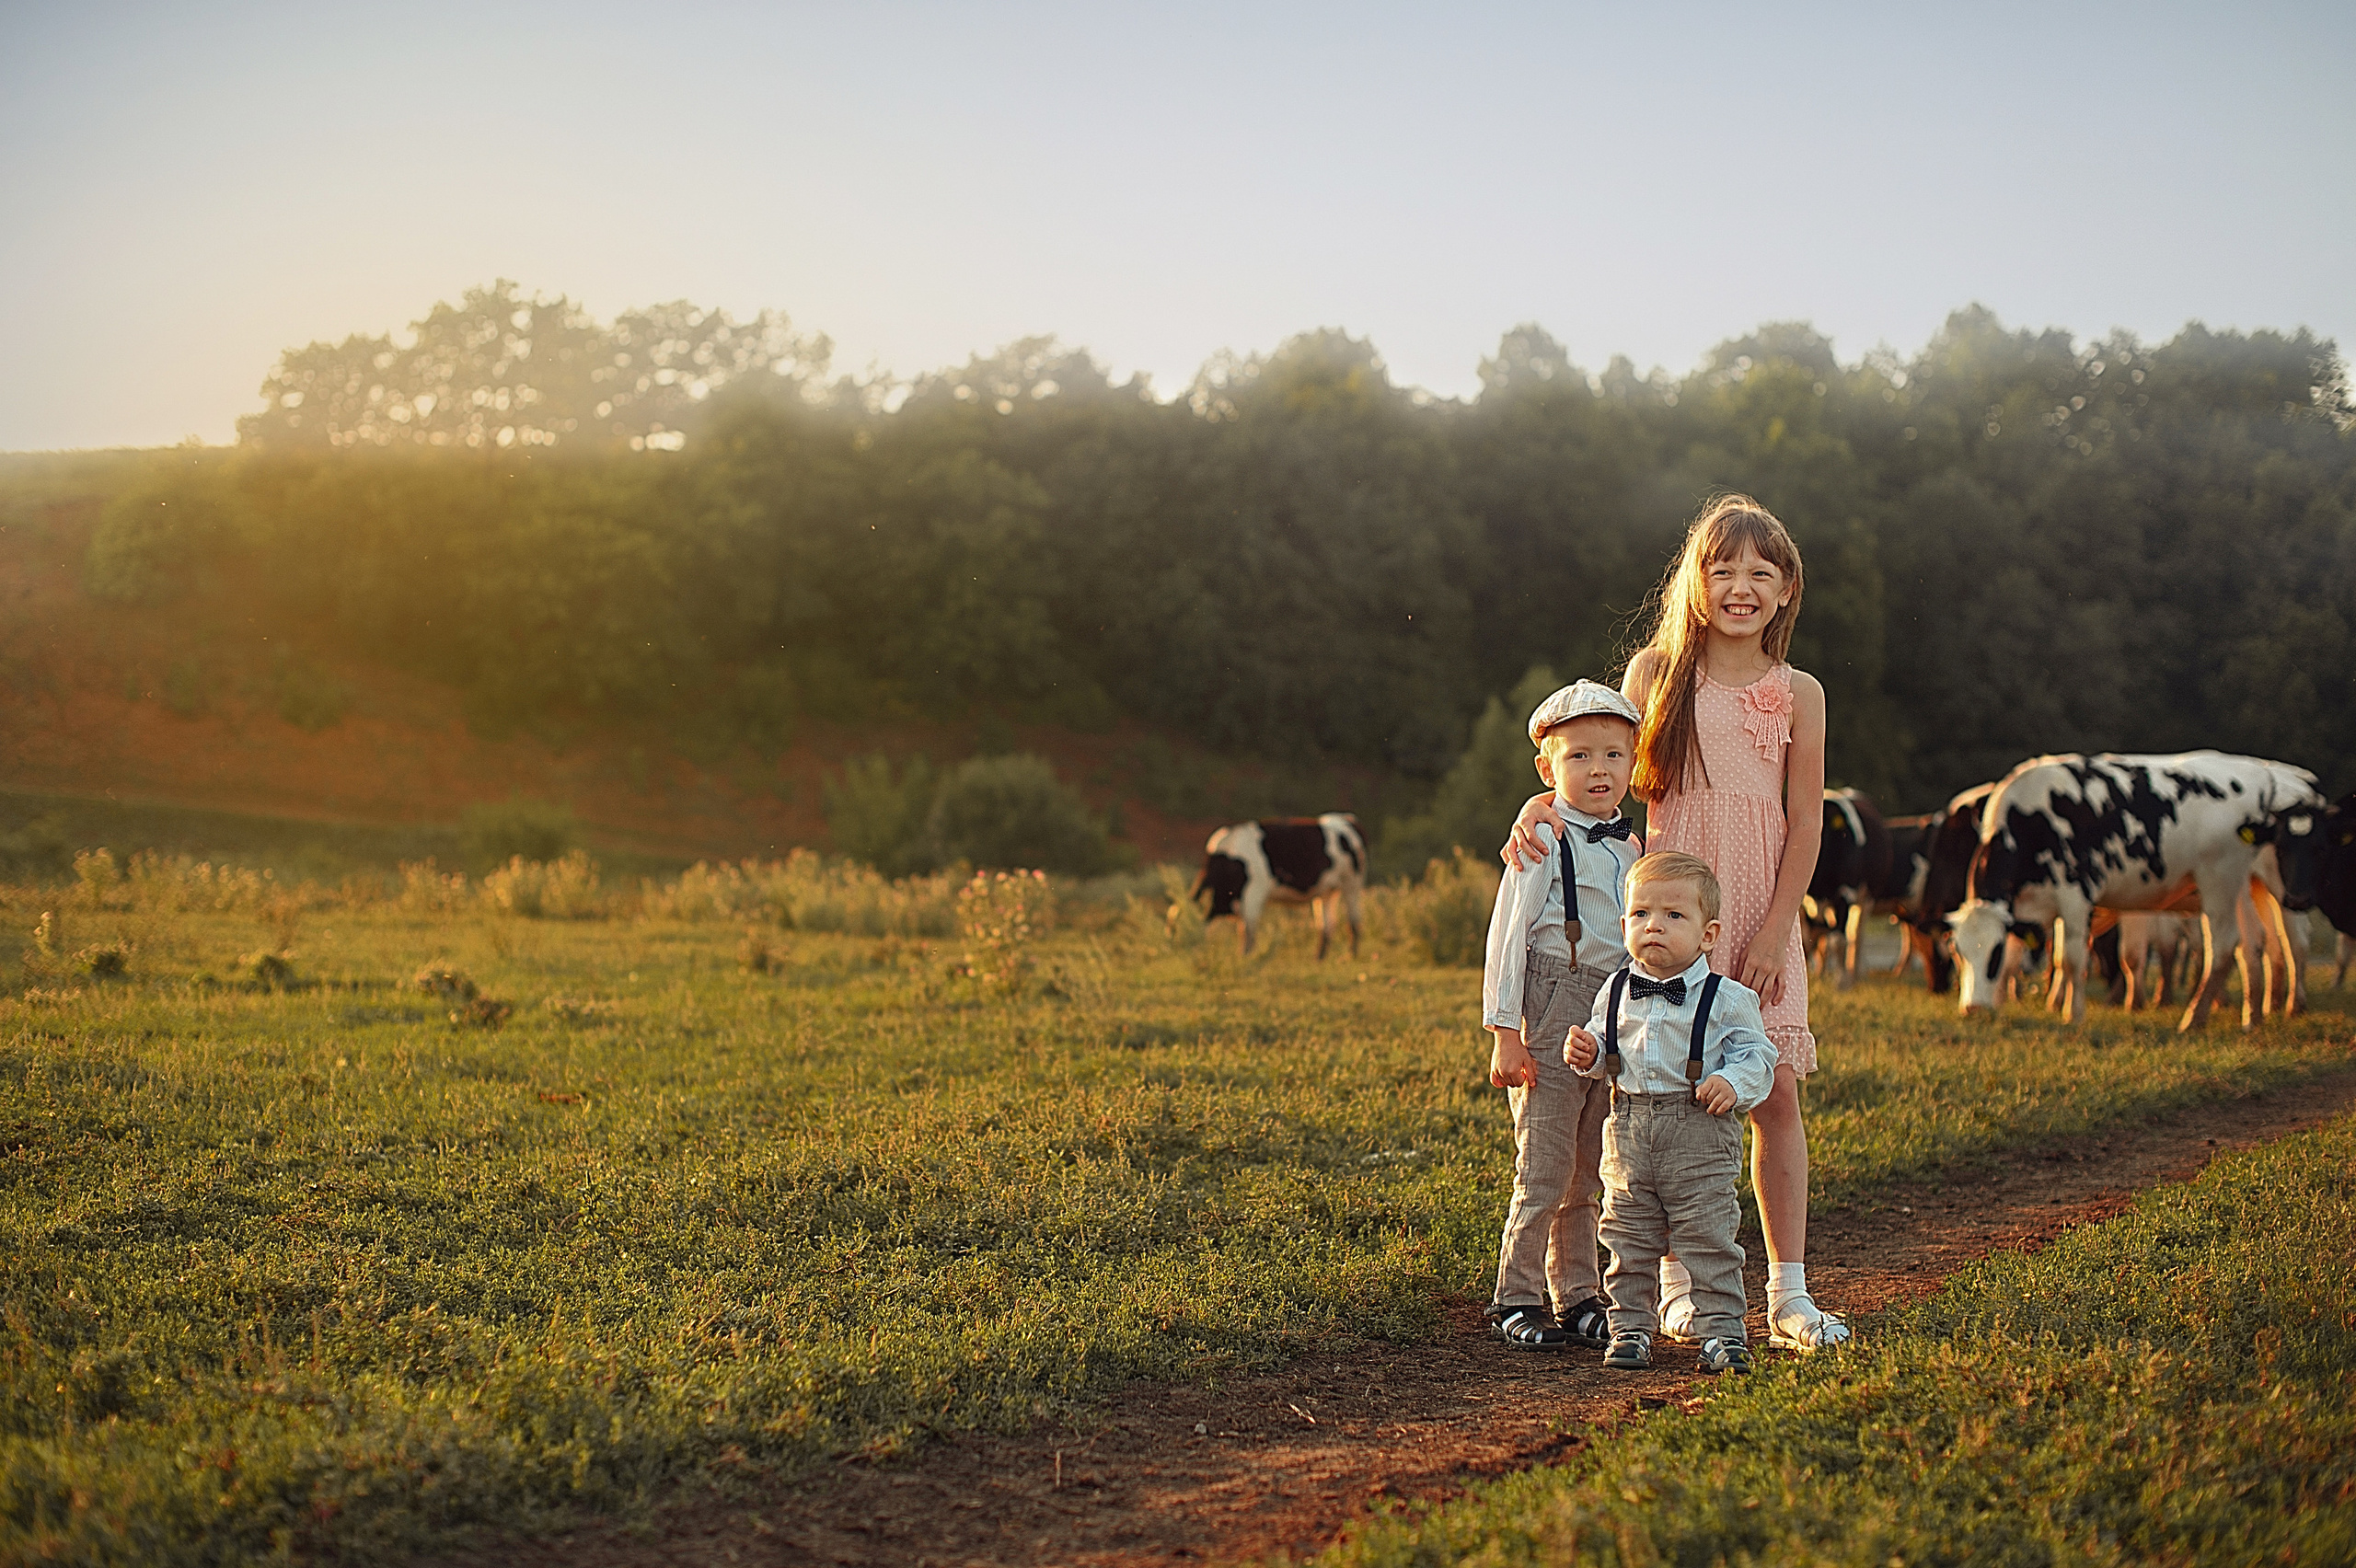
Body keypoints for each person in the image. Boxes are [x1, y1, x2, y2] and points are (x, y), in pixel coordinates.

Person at [1508, 493, 1847, 1351]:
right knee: (1654, 1090)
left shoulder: (1799, 692)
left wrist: (1773, 929)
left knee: (1773, 1093)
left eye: (1760, 573)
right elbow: (1600, 777)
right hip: (1666, 912)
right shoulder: (1655, 674)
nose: (1740, 587)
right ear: (1694, 583)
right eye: (1722, 569)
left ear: (1786, 589)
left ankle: (1789, 1295)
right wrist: (1537, 806)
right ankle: (1675, 1288)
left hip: (1759, 912)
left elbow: (1806, 822)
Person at [1565, 851, 1777, 1374]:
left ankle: (1722, 1331)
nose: (1654, 925)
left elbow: (1759, 1057)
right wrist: (1590, 1053)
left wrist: (1732, 1081)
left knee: (1707, 1235)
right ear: (1623, 926)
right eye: (1641, 914)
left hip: (1698, 1130)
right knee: (1627, 1235)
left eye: (1673, 915)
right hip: (1628, 1128)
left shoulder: (1728, 998)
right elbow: (1607, 1044)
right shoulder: (1616, 989)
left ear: (1708, 935)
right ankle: (1631, 1328)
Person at [1480, 679, 1645, 1351]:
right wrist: (1505, 1033)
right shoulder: (1542, 839)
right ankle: (1515, 1296)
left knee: (1589, 1167)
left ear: (1632, 763)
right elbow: (1507, 937)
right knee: (1544, 1166)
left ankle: (1577, 1295)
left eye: (1613, 755)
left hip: (1612, 1012)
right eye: (1579, 756)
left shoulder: (1633, 848)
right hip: (1553, 1003)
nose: (1598, 769)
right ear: (1548, 771)